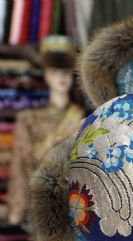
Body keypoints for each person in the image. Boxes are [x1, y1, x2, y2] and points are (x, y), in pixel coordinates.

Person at [8, 35, 84, 225]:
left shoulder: (82, 115)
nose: (62, 77)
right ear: (46, 74)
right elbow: (20, 167)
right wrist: (17, 210)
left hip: (77, 202)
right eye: (55, 71)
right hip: (41, 203)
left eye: (66, 71)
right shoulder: (28, 118)